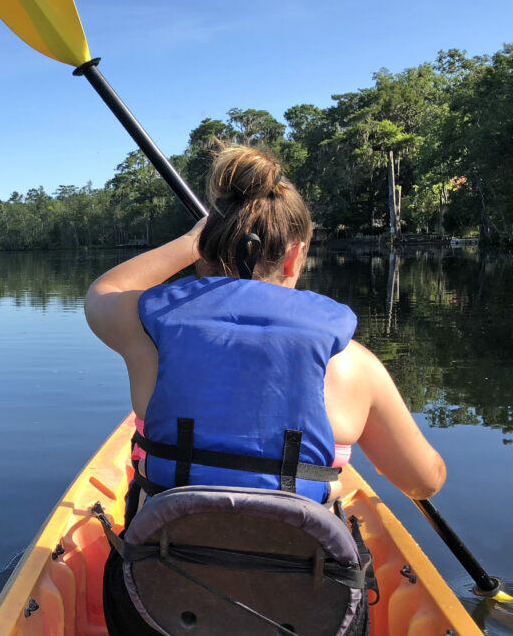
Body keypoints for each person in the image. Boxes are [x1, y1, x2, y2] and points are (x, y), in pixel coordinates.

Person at [85, 144, 447, 636]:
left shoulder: (147, 333)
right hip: (312, 620)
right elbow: (423, 483)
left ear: (204, 254)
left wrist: (192, 241)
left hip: (155, 611)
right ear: (297, 256)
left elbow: (103, 292)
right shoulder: (354, 366)